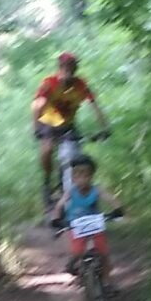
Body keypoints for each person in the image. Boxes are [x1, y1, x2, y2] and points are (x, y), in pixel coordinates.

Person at [30, 52, 111, 203]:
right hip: (48, 123)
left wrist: (104, 127)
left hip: (67, 125)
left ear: (75, 69)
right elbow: (36, 105)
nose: (69, 70)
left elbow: (94, 105)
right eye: (65, 67)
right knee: (47, 150)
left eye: (72, 67)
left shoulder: (80, 84)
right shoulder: (49, 83)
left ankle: (68, 190)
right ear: (60, 68)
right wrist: (36, 128)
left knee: (74, 158)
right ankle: (47, 181)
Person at [51, 154, 115, 273]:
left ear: (91, 176)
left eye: (86, 175)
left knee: (103, 253)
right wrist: (57, 219)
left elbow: (111, 198)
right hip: (76, 225)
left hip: (95, 223)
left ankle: (107, 282)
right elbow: (60, 205)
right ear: (73, 178)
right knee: (78, 251)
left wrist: (117, 210)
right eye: (78, 176)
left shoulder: (97, 189)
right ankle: (72, 263)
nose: (82, 179)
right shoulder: (71, 192)